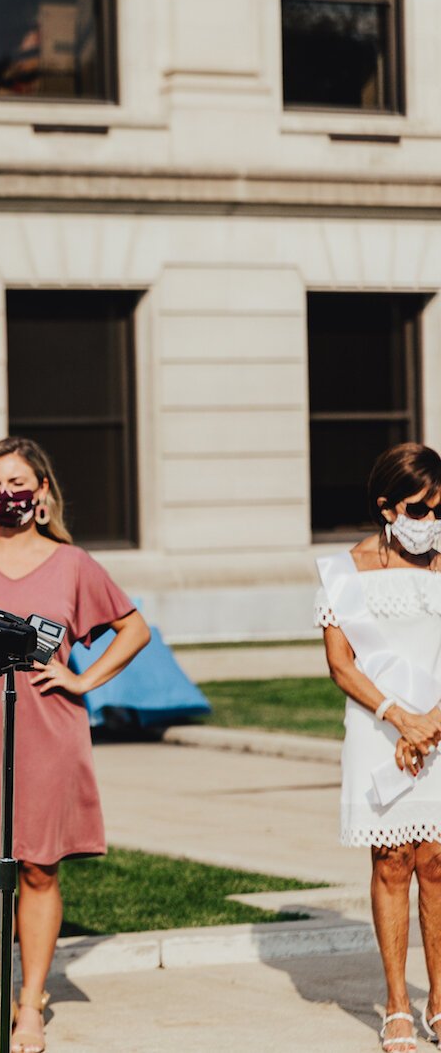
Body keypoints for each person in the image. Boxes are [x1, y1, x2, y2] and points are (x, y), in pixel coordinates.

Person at [0, 437, 149, 1053]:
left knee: (37, 866)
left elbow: (132, 627)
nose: (6, 494)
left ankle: (30, 1004)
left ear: (42, 493)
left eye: (18, 483)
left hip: (48, 729)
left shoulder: (72, 562)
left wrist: (83, 678)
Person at [315, 442, 441, 1053]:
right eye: (420, 510)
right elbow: (341, 663)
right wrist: (399, 718)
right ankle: (396, 1003)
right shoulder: (346, 571)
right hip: (377, 730)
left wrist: (432, 722)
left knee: (438, 865)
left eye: (440, 510)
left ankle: (440, 999)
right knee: (392, 862)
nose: (431, 523)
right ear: (387, 507)